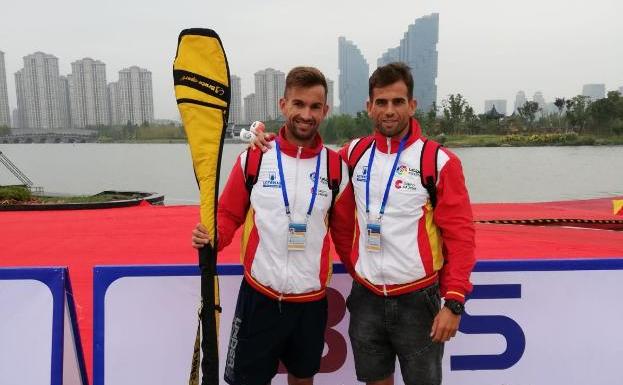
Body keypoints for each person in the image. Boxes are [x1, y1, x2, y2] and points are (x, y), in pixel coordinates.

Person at [248, 62, 476, 385]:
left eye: (398, 102)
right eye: (381, 102)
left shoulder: (438, 162)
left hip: (417, 299)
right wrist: (268, 140)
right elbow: (306, 151)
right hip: (366, 297)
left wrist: (453, 302)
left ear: (412, 105)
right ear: (369, 107)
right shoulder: (353, 154)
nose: (389, 110)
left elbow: (462, 237)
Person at [191, 66, 355, 385]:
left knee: (302, 379)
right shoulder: (254, 158)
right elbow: (227, 215)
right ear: (283, 105)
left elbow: (346, 235)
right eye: (298, 104)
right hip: (259, 298)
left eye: (314, 106)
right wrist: (212, 236)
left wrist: (368, 281)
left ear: (325, 110)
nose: (306, 114)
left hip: (309, 302)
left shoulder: (337, 169)